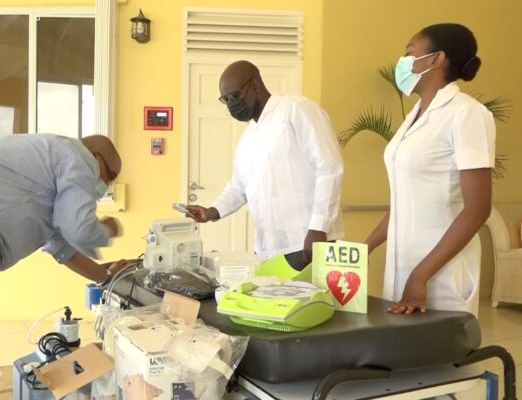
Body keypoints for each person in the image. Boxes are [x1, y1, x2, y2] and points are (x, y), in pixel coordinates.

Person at [0, 133, 129, 398]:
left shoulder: (46, 164)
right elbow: (78, 229)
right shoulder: (79, 158)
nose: (105, 186)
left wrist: (105, 276)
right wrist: (108, 230)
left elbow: (62, 248)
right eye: (109, 177)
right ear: (97, 157)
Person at [366, 23, 495, 316]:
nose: (403, 63)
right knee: (399, 343)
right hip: (403, 265)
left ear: (437, 59)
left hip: (441, 274)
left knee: (439, 344)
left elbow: (478, 209)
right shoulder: (415, 116)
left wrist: (421, 274)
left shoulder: (467, 114)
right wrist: (365, 248)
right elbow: (405, 201)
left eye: (409, 54)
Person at [186, 60, 344, 267]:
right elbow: (238, 187)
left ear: (254, 85)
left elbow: (329, 167)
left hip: (310, 243)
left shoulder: (296, 109)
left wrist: (318, 227)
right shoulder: (248, 137)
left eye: (235, 96)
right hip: (268, 250)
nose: (231, 104)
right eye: (226, 100)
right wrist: (211, 211)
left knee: (311, 291)